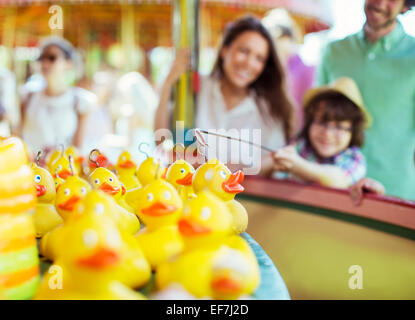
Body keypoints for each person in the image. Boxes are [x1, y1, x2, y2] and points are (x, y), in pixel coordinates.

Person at [154, 16, 294, 176]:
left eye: (259, 58)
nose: (249, 63)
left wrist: (235, 169)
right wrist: (168, 83)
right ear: (224, 50)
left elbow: (277, 159)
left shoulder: (268, 111)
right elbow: (161, 140)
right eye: (244, 51)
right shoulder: (197, 87)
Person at [317, 0, 415, 199]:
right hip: (334, 188)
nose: (380, 3)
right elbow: (315, 117)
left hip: (395, 192)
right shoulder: (334, 51)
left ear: (405, 5)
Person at [273, 77, 370, 189]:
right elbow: (263, 170)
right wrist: (276, 158)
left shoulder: (354, 159)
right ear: (310, 122)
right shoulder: (300, 144)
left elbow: (339, 179)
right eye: (321, 123)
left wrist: (297, 165)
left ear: (353, 131)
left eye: (339, 127)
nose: (327, 134)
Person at [17, 36, 97, 156]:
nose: (45, 63)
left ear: (68, 63)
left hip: (63, 171)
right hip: (30, 170)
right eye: (41, 58)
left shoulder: (80, 101)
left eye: (52, 58)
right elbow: (18, 138)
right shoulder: (27, 96)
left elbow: (78, 149)